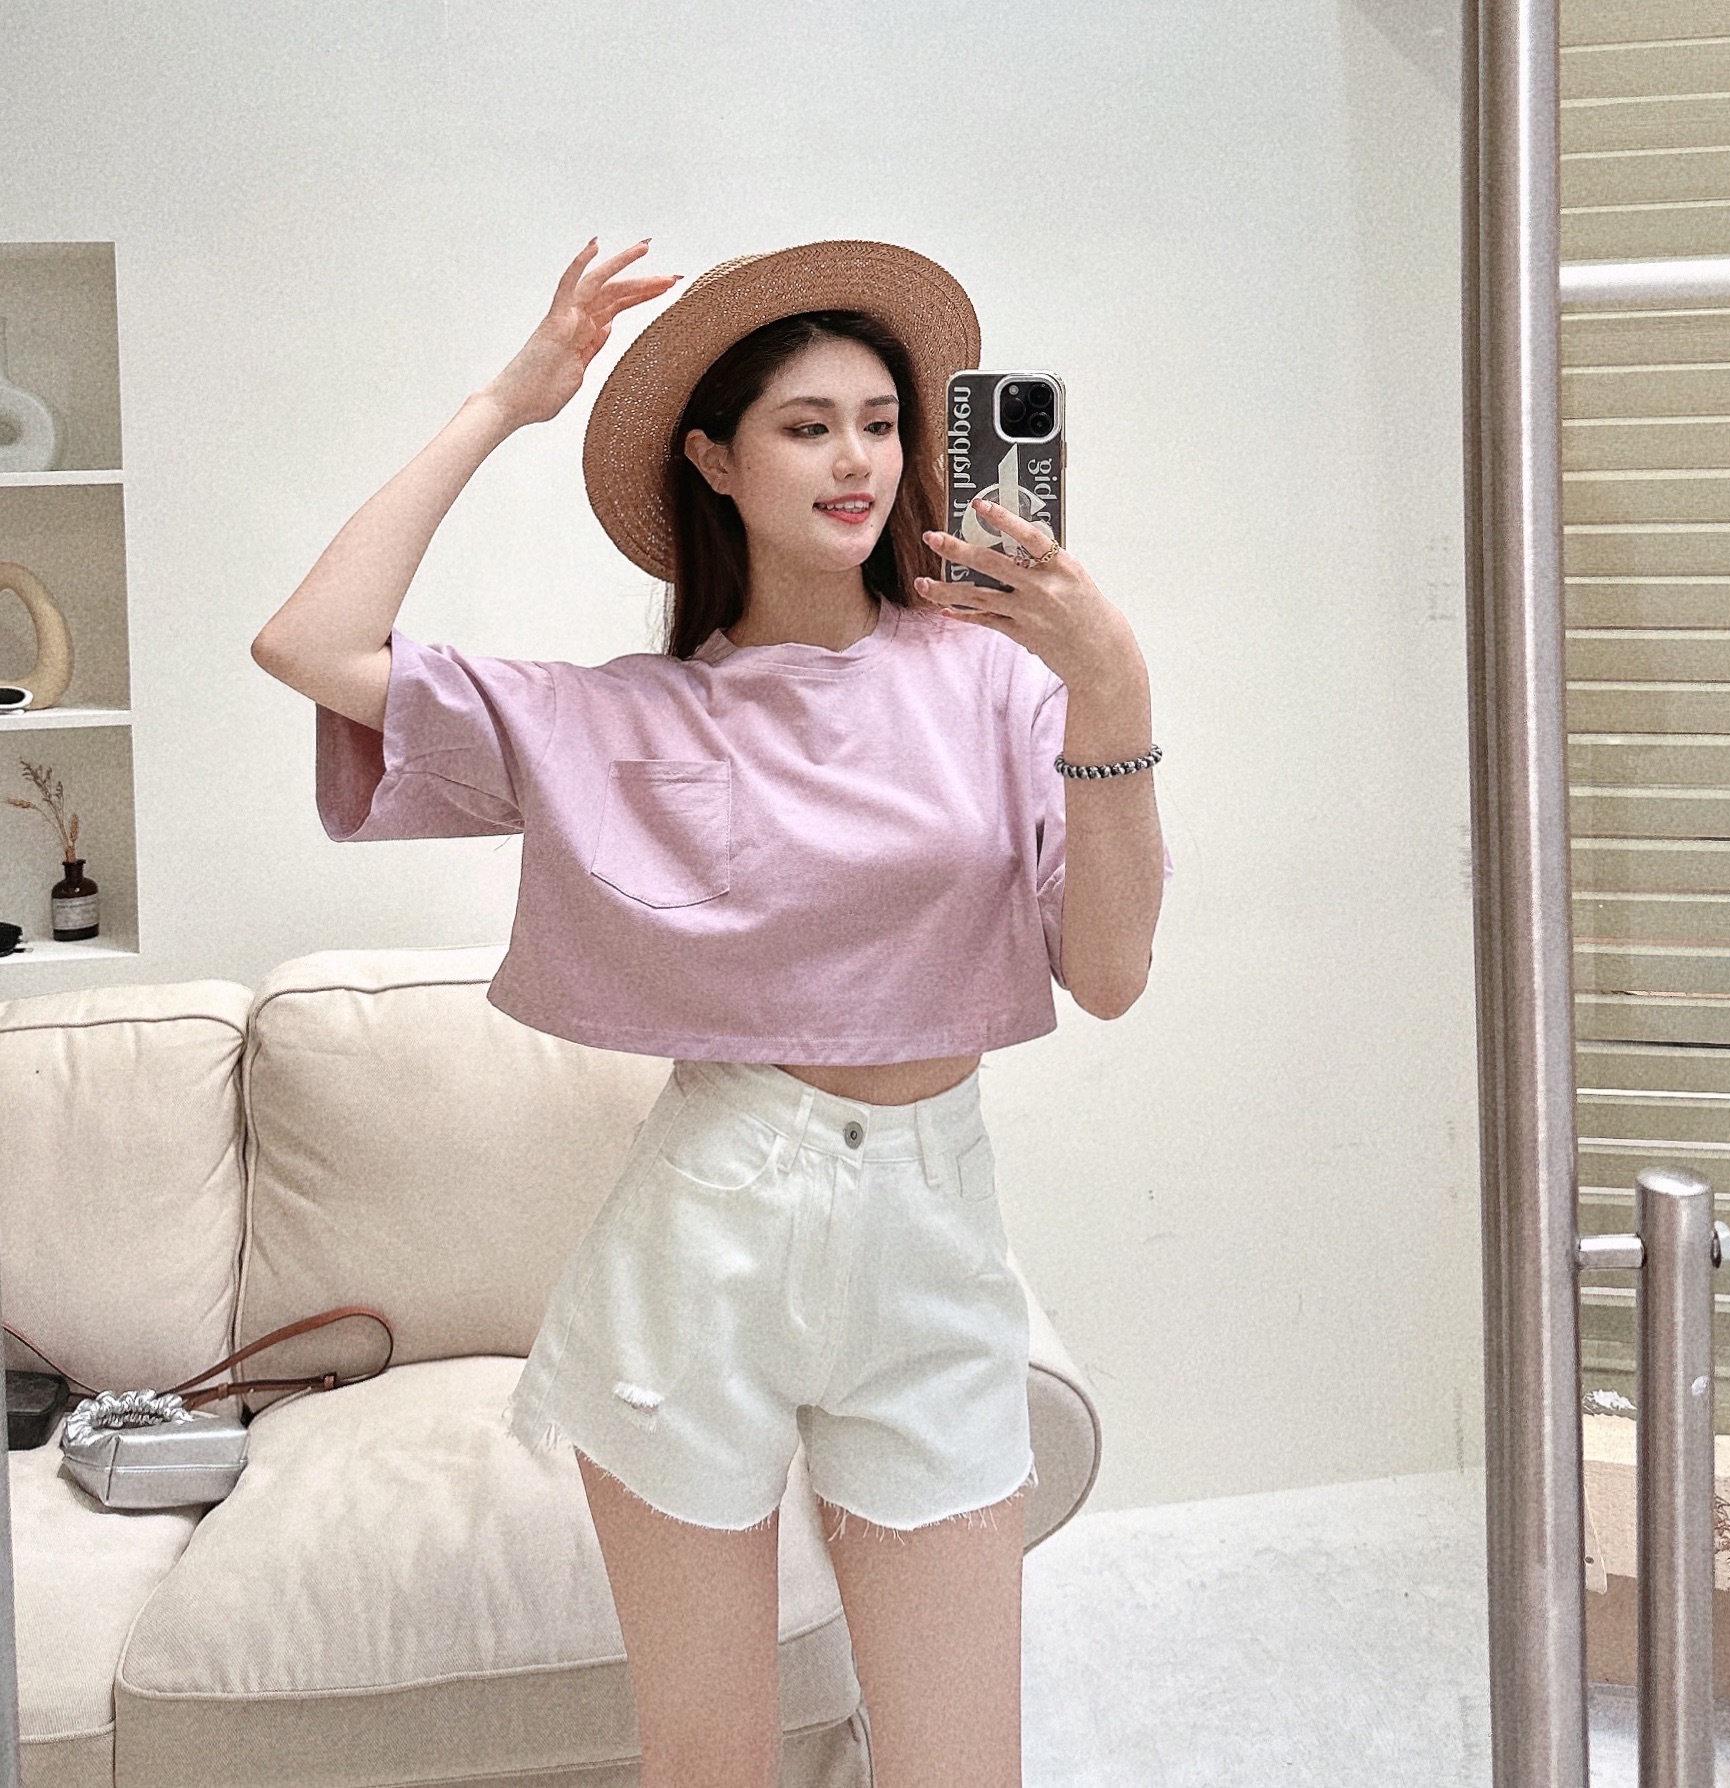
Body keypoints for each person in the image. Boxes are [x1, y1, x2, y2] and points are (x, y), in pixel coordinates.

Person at [251, 233, 1171, 1788]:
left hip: (934, 1231)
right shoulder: (622, 715)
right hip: (707, 1232)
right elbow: (310, 645)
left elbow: (1112, 973)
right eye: (806, 426)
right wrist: (507, 400)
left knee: (963, 1764)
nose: (857, 460)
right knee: (708, 1762)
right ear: (716, 461)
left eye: (880, 423)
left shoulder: (1002, 679)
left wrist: (1114, 686)